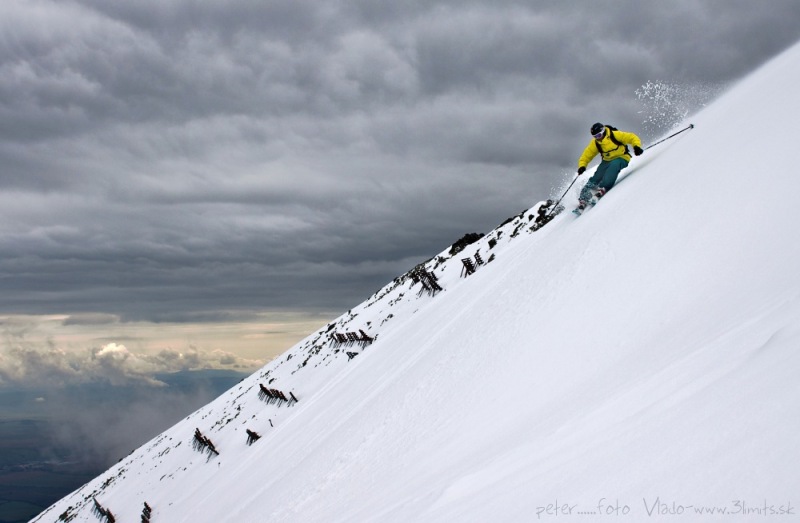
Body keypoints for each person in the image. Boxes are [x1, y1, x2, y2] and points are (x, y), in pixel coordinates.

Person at [575, 122, 643, 210]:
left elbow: (631, 137)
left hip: (622, 157)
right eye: (595, 136)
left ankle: (603, 187)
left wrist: (636, 147)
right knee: (597, 176)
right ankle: (584, 197)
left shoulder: (614, 135)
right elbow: (587, 155)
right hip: (607, 160)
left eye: (599, 135)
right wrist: (582, 166)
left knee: (613, 167)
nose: (597, 138)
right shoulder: (596, 143)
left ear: (603, 131)